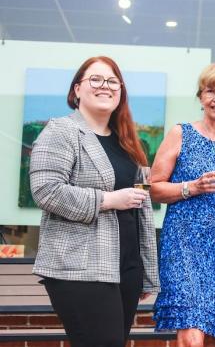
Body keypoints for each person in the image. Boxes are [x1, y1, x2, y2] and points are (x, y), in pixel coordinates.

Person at [29, 56, 159, 347]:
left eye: (113, 81)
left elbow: (141, 209)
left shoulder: (127, 141)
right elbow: (46, 190)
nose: (105, 86)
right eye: (96, 79)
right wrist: (109, 199)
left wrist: (145, 272)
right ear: (77, 90)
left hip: (124, 268)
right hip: (80, 268)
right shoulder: (61, 131)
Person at [151, 63, 215, 347]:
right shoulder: (181, 133)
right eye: (210, 91)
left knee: (211, 332)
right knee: (190, 334)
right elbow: (154, 188)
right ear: (201, 97)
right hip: (183, 245)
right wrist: (192, 187)